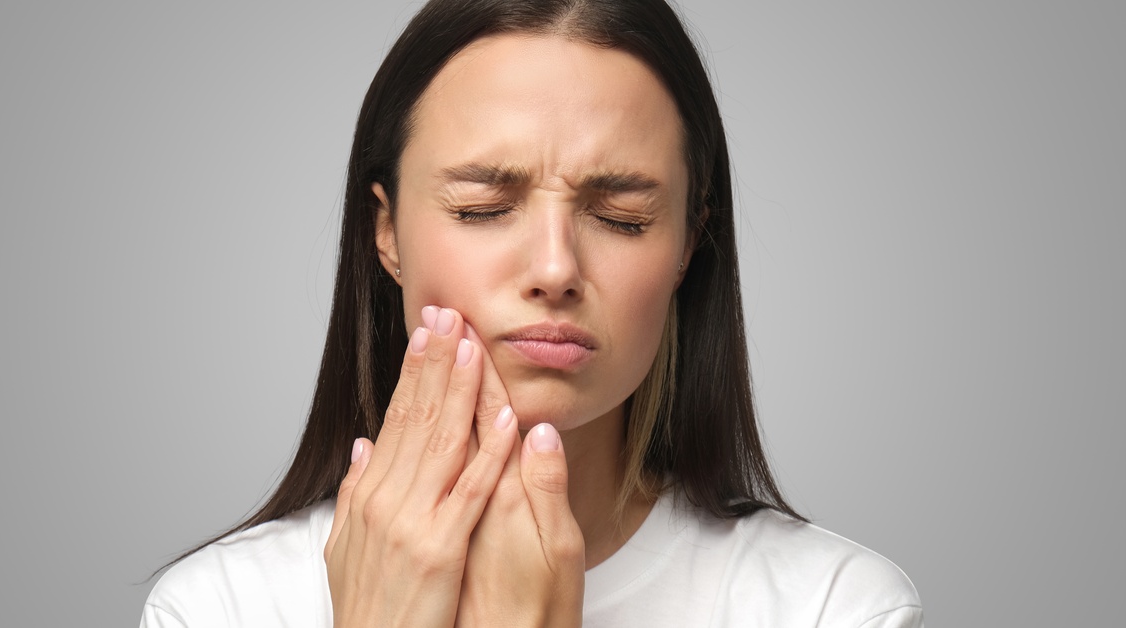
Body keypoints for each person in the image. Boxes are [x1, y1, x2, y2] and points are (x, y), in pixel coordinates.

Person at [140, 0, 923, 625]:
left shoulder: (836, 608)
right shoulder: (219, 608)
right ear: (387, 233)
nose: (555, 269)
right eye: (484, 207)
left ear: (689, 243)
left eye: (621, 217)